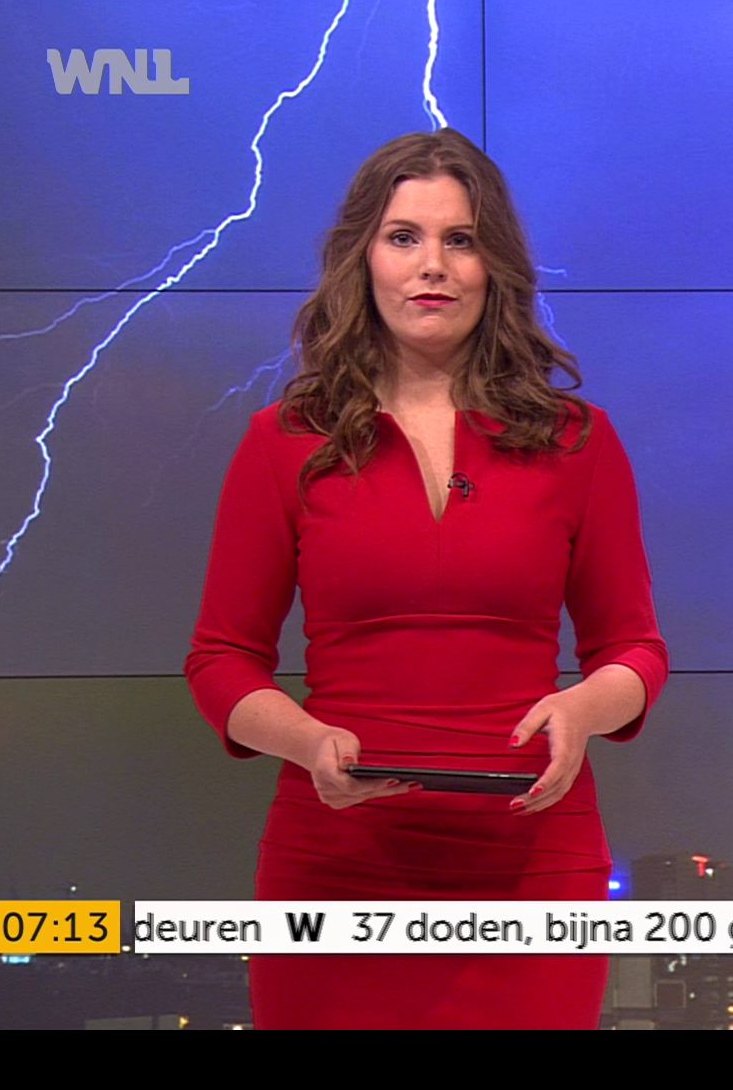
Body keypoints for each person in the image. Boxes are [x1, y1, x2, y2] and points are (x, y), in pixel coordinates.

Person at [183, 128, 669, 1029]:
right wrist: (306, 741)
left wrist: (582, 710)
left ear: (495, 267)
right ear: (363, 258)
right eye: (404, 237)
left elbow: (634, 650)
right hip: (337, 865)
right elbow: (220, 660)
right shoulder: (284, 442)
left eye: (461, 240)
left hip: (532, 863)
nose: (432, 265)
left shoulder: (577, 442)